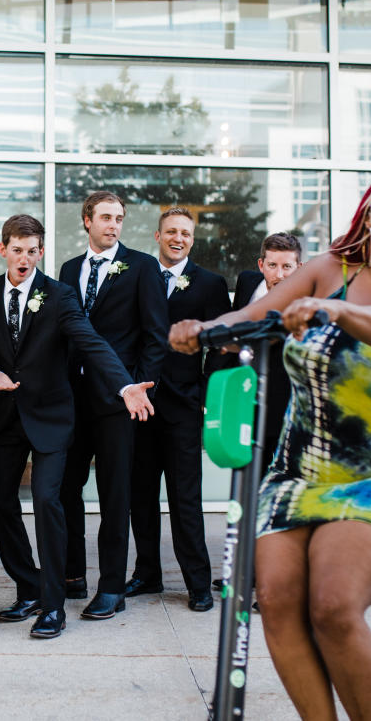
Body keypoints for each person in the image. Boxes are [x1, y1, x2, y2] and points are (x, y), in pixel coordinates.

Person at [170, 170, 371, 721]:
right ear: (370, 215)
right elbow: (251, 317)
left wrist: (339, 311)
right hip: (299, 471)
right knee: (277, 602)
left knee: (332, 604)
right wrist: (206, 328)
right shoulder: (329, 269)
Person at [0, 215, 154, 639]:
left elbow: (90, 341)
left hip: (52, 418)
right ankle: (29, 586)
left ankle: (52, 605)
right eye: (17, 250)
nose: (25, 258)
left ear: (41, 252)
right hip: (6, 418)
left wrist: (125, 384)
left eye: (33, 250)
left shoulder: (59, 295)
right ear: (3, 250)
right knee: (1, 505)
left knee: (47, 502)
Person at [57, 191, 168, 620]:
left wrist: (139, 390)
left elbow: (156, 337)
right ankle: (72, 574)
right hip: (73, 401)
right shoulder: (69, 269)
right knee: (66, 489)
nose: (113, 225)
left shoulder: (142, 267)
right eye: (105, 217)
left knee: (114, 495)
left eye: (119, 218)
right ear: (87, 221)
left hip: (119, 403)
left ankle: (111, 587)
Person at [126, 207, 230, 612]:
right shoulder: (138, 274)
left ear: (192, 239)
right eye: (171, 231)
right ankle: (147, 573)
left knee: (186, 498)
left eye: (185, 233)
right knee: (142, 496)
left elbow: (221, 344)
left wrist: (205, 393)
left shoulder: (210, 283)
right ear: (158, 235)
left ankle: (198, 583)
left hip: (184, 406)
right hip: (142, 405)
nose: (178, 238)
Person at [232, 232, 302, 478]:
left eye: (287, 267)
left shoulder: (308, 301)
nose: (279, 274)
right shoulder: (246, 283)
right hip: (244, 399)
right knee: (244, 478)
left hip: (285, 404)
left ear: (299, 268)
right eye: (272, 265)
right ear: (261, 264)